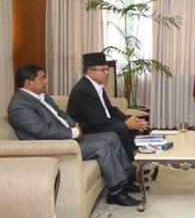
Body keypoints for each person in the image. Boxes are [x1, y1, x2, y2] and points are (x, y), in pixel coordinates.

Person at [8, 64, 140, 206]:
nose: (46, 81)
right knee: (103, 145)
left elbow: (61, 114)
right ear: (29, 83)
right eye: (42, 78)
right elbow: (42, 131)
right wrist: (73, 132)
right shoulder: (19, 105)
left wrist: (74, 125)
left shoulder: (43, 97)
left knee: (112, 136)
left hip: (67, 137)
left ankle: (125, 180)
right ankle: (116, 193)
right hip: (54, 146)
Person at [67, 52, 149, 161]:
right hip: (87, 131)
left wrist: (127, 119)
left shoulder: (96, 86)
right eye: (102, 70)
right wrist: (125, 124)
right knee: (122, 128)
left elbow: (110, 109)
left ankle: (138, 157)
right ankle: (129, 163)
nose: (107, 73)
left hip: (99, 124)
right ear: (90, 72)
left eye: (107, 69)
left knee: (132, 123)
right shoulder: (83, 90)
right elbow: (97, 121)